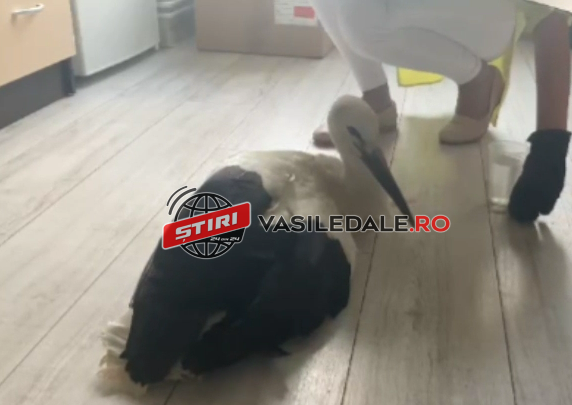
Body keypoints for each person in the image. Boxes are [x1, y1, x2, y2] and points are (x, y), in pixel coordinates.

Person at [310, 0, 571, 223]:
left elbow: (554, 14)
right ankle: (375, 98)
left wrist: (550, 145)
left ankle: (477, 80)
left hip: (487, 17)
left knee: (360, 20)